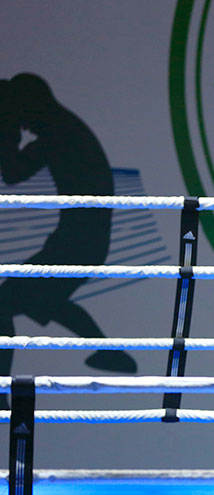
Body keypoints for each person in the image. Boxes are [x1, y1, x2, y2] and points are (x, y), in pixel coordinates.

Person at [0, 73, 135, 407]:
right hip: (80, 237)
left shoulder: (58, 132)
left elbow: (14, 172)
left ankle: (2, 392)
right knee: (34, 299)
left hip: (79, 240)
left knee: (7, 302)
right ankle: (111, 352)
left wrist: (5, 132)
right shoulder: (62, 127)